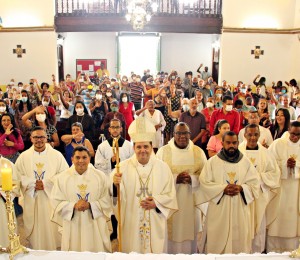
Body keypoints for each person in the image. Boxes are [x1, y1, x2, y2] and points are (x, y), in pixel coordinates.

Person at [111, 117, 178, 253]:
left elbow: (170, 195)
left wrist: (157, 203)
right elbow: (114, 199)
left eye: (146, 146)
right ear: (134, 147)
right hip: (131, 220)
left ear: (151, 147)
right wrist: (114, 185)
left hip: (155, 219)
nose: (143, 150)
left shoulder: (163, 168)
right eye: (139, 147)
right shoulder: (122, 168)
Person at [197, 131, 259, 254]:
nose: (232, 145)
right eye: (228, 143)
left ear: (238, 143)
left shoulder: (245, 162)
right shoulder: (213, 162)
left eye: (234, 143)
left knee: (239, 242)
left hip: (239, 208)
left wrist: (242, 188)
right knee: (217, 240)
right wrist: (222, 189)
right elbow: (204, 182)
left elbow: (255, 183)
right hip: (219, 209)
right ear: (222, 143)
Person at [156, 122, 207, 253]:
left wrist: (192, 179)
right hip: (171, 204)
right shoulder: (163, 152)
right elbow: (157, 177)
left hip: (191, 202)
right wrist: (174, 179)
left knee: (190, 238)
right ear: (173, 134)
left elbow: (206, 178)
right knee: (170, 239)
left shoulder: (198, 152)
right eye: (179, 133)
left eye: (185, 133)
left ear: (190, 134)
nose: (182, 136)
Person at [15, 126, 68, 250]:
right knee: (35, 229)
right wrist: (32, 183)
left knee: (51, 227)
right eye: (36, 137)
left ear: (46, 138)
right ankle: (35, 249)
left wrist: (46, 184)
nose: (39, 140)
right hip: (32, 198)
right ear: (31, 138)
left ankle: (54, 250)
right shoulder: (24, 157)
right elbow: (17, 176)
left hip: (51, 199)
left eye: (42, 137)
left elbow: (64, 174)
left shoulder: (57, 155)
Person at [51, 146, 112, 252]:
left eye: (84, 157)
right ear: (72, 159)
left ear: (89, 158)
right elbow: (55, 201)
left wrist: (90, 205)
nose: (81, 161)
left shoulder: (100, 176)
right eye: (77, 157)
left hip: (95, 224)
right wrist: (73, 206)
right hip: (72, 223)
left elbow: (106, 199)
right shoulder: (62, 178)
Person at [239, 124, 280, 253]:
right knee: (243, 225)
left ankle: (258, 252)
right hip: (242, 197)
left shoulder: (266, 153)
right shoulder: (238, 151)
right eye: (249, 134)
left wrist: (257, 177)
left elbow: (274, 174)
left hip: (259, 196)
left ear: (259, 135)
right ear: (244, 135)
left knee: (258, 226)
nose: (252, 137)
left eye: (255, 134)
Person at [267, 121, 300, 252]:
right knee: (277, 218)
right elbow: (269, 164)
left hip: (296, 188)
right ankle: (274, 249)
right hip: (280, 187)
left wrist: (296, 165)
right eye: (293, 134)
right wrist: (284, 166)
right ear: (288, 130)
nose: (295, 137)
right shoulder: (277, 144)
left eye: (298, 135)